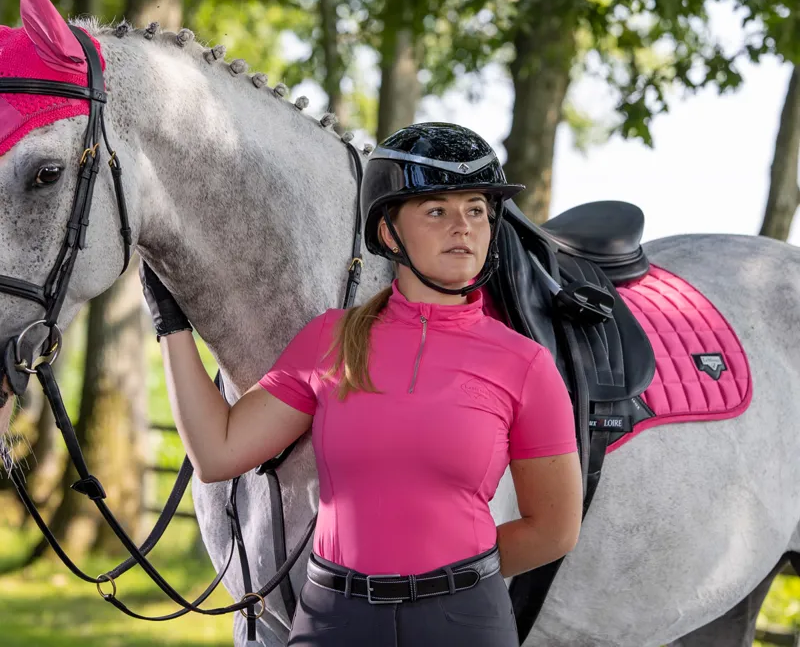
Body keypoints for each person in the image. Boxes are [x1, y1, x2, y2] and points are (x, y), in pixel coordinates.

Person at [140, 122, 582, 646]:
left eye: (477, 210)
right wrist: (172, 326)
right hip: (334, 617)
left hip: (463, 619)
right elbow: (218, 452)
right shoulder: (330, 339)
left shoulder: (524, 364)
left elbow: (554, 528)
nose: (463, 226)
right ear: (389, 232)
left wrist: (448, 579)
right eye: (437, 210)